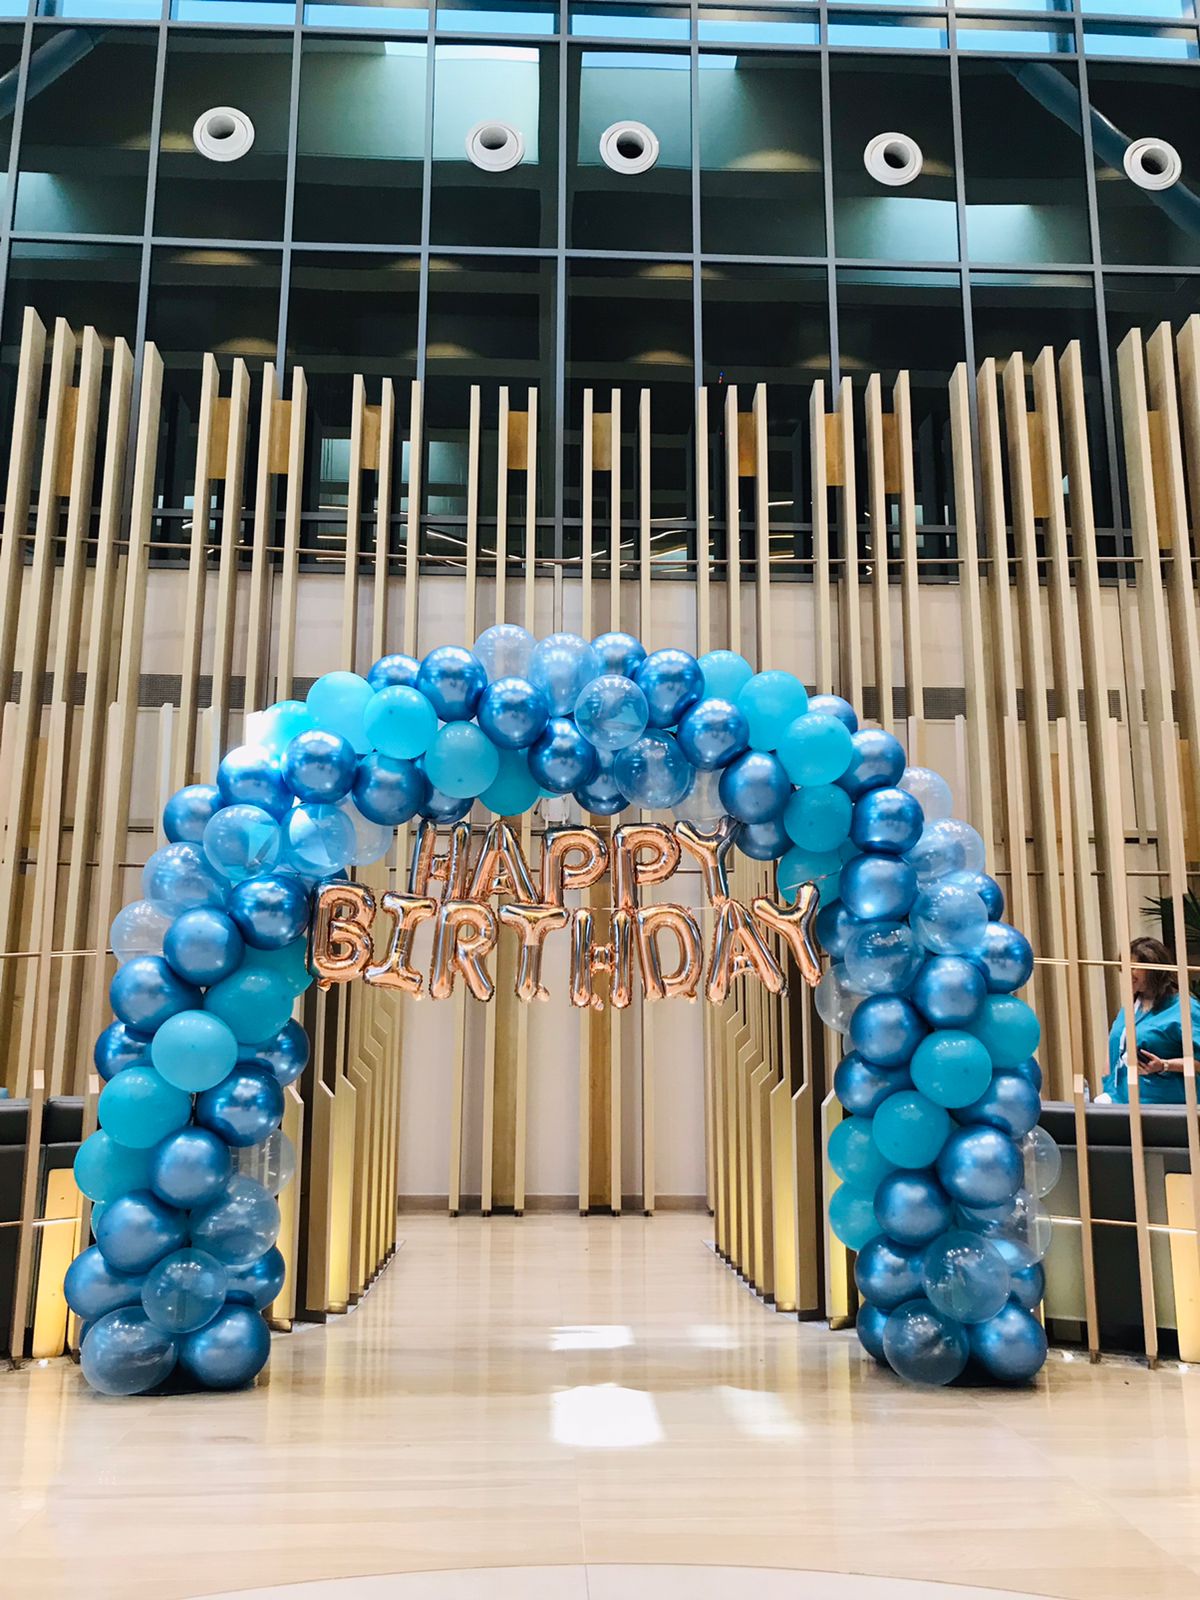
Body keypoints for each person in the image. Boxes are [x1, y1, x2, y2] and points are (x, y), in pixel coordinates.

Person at [1102, 936, 1200, 1105]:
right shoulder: (1131, 1007)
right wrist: (1106, 1082)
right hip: (1119, 1102)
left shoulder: (1184, 1008)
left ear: (1153, 968)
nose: (1127, 974)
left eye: (1133, 967)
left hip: (1165, 1108)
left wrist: (1165, 1065)